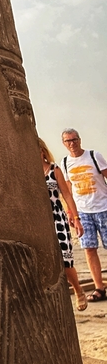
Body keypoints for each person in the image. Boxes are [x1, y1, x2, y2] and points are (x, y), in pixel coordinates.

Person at [37, 138, 87, 311]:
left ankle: (78, 290)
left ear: (42, 150)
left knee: (66, 258)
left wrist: (77, 218)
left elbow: (67, 195)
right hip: (40, 221)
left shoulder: (54, 169)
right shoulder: (29, 172)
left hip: (57, 218)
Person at [61, 129, 107, 302]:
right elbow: (68, 190)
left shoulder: (94, 156)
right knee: (89, 249)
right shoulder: (65, 163)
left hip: (103, 207)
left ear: (80, 140)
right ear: (64, 144)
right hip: (83, 211)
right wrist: (71, 213)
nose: (72, 144)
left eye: (74, 140)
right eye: (68, 141)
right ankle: (99, 288)